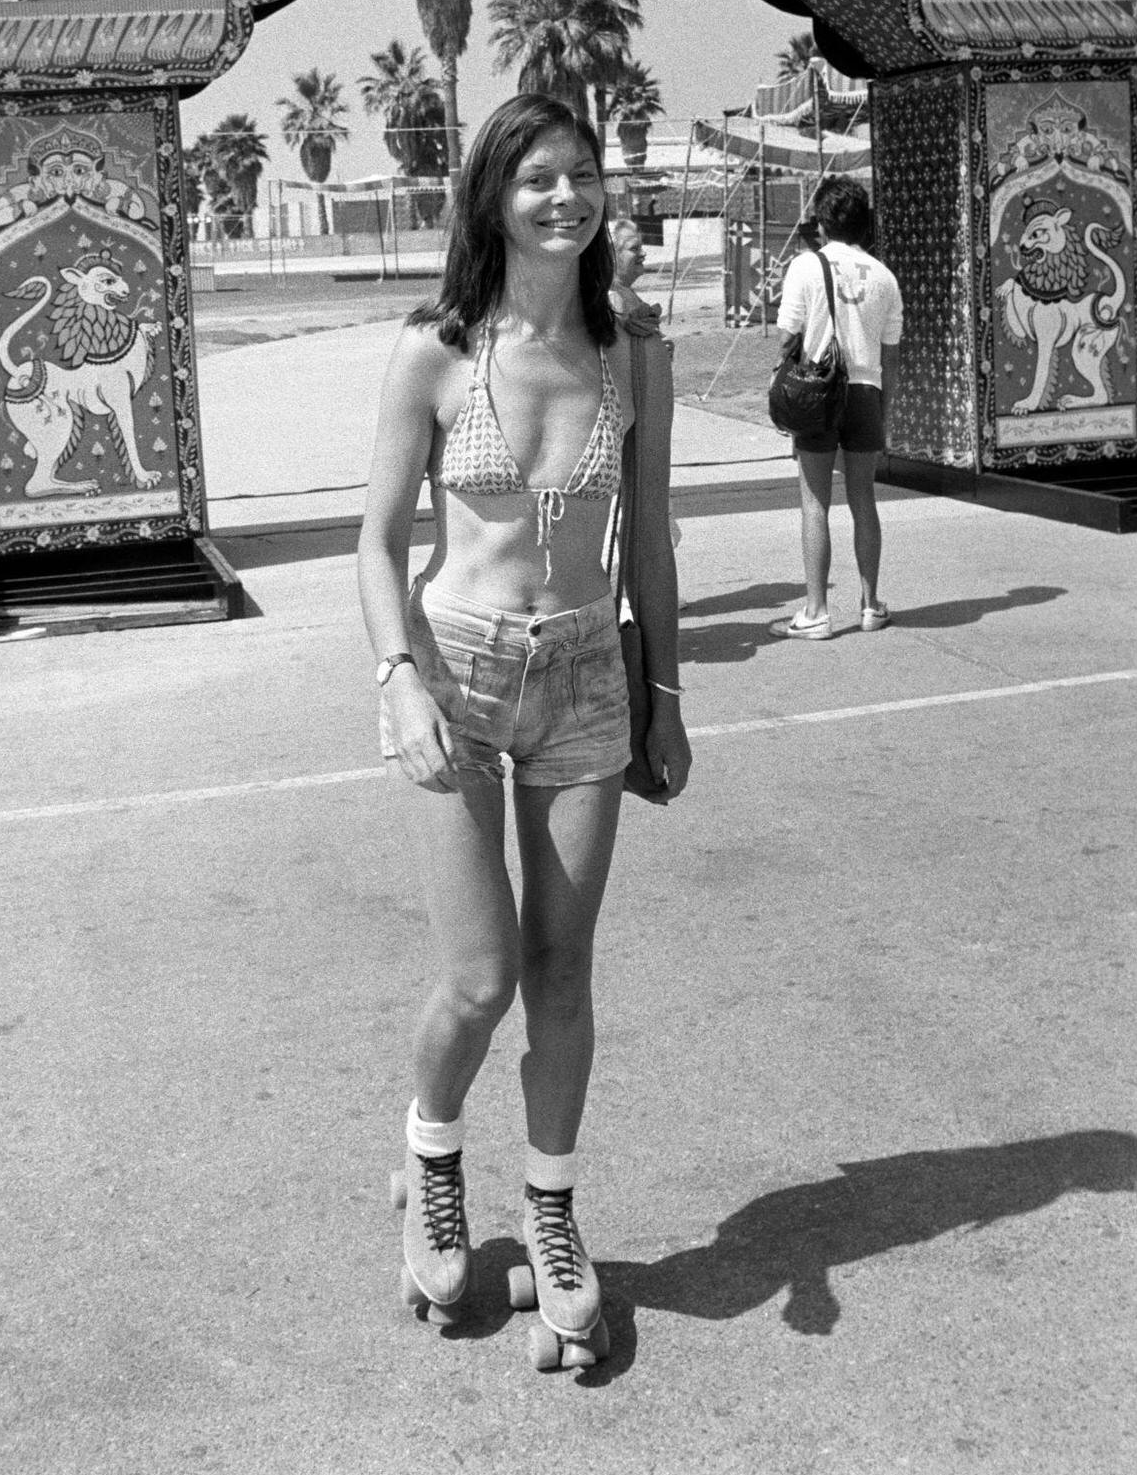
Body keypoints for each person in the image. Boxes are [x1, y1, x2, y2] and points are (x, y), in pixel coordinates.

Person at [357, 92, 691, 1355]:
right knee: (480, 974)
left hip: (586, 676)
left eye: (582, 175)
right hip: (456, 667)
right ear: (494, 198)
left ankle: (551, 1204)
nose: (566, 196)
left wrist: (664, 696)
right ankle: (431, 1152)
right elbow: (377, 544)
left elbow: (648, 538)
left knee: (562, 975)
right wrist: (397, 676)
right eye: (538, 177)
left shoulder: (634, 351)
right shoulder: (435, 349)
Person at [774, 174, 902, 639]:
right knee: (863, 499)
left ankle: (817, 611)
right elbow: (891, 352)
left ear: (822, 223)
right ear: (865, 225)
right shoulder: (885, 276)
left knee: (814, 502)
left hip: (817, 393)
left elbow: (788, 335)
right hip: (866, 391)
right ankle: (870, 604)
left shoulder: (806, 267)